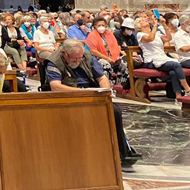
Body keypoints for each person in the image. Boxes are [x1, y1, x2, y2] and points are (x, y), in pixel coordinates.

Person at [46, 39, 141, 169]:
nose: (78, 61)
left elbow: (101, 78)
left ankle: (123, 152)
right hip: (69, 95)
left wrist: (105, 92)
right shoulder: (53, 61)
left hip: (91, 92)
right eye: (74, 59)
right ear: (64, 53)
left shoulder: (87, 55)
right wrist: (81, 92)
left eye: (80, 58)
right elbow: (55, 86)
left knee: (114, 111)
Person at [136, 15, 190, 98]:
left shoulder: (157, 34)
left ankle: (178, 95)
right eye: (142, 20)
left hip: (162, 58)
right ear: (139, 26)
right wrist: (155, 25)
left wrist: (164, 24)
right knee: (176, 65)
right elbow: (150, 39)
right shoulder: (140, 34)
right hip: (151, 60)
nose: (146, 20)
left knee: (173, 72)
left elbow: (168, 38)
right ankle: (188, 89)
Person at [86, 16, 129, 86]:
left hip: (112, 58)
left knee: (124, 64)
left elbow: (115, 46)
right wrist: (107, 58)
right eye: (99, 25)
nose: (101, 27)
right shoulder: (92, 35)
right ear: (94, 26)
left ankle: (120, 86)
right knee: (105, 64)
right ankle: (108, 87)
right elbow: (93, 51)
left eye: (103, 25)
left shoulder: (109, 34)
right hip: (98, 59)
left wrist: (117, 56)